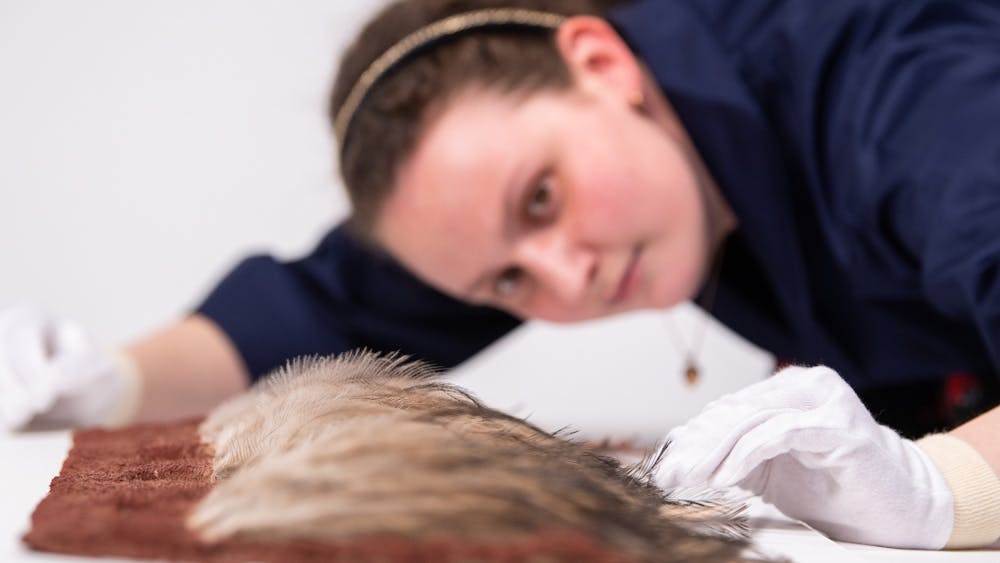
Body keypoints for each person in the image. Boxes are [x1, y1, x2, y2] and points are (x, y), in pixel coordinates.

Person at [2, 0, 999, 551]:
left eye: (539, 198)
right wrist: (109, 380)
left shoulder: (902, 88)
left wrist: (944, 484)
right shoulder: (585, 205)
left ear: (599, 63)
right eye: (506, 285)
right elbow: (321, 305)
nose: (567, 276)